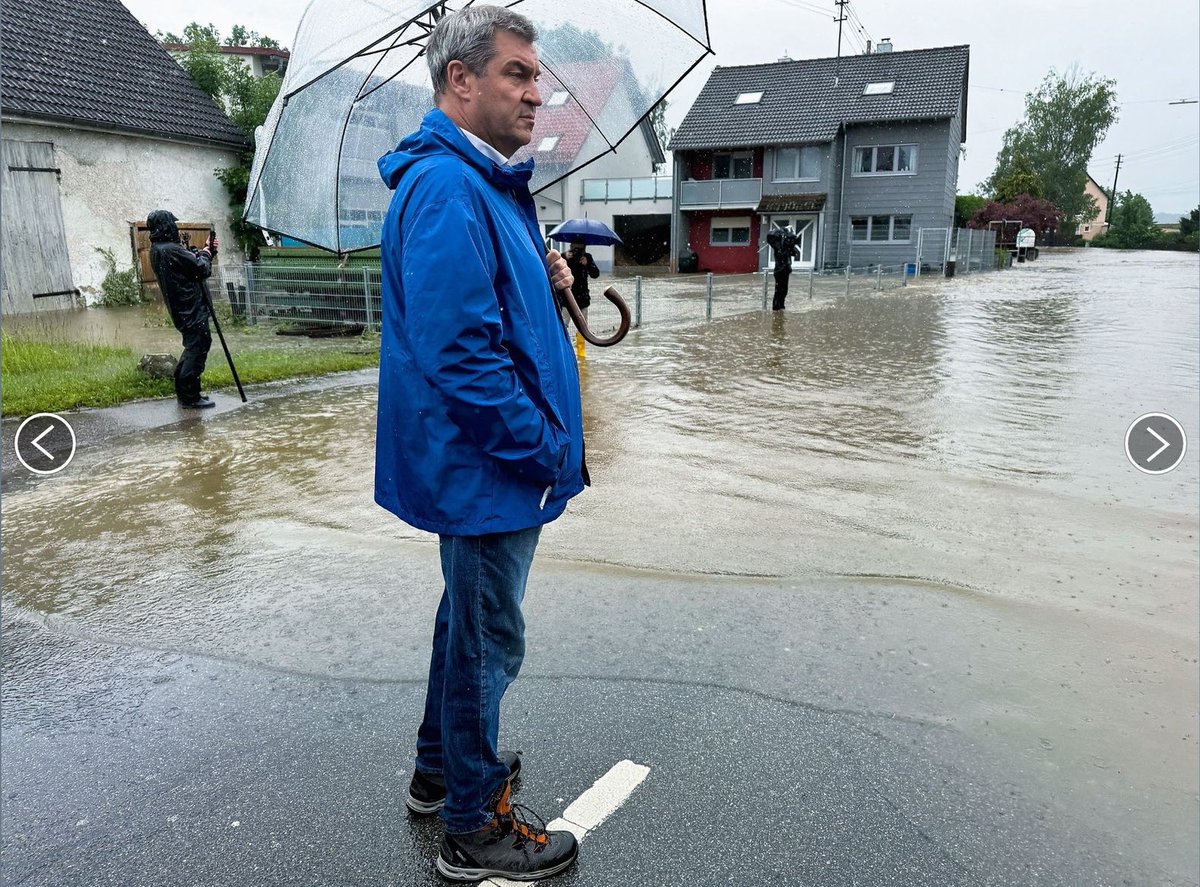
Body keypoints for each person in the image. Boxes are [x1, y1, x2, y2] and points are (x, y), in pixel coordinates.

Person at [374, 5, 584, 882]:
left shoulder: (487, 185)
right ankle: (471, 822)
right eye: (517, 74)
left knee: (467, 622)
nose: (537, 93)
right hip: (489, 468)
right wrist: (541, 447)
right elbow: (462, 354)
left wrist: (547, 270)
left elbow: (497, 311)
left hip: (489, 467)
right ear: (460, 81)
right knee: (489, 637)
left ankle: (442, 769)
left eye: (538, 76)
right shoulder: (448, 189)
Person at [147, 210, 218, 408]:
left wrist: (199, 252)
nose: (175, 228)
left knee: (193, 347)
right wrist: (207, 253)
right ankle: (189, 397)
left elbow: (188, 265)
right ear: (166, 226)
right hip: (190, 308)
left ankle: (187, 392)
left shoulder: (158, 249)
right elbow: (201, 269)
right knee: (198, 347)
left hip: (181, 309)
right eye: (172, 224)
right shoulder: (171, 250)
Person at [564, 240, 599, 355]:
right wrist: (565, 258)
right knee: (563, 325)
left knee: (583, 328)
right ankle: (564, 351)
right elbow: (555, 273)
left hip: (583, 300)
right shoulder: (565, 257)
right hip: (566, 299)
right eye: (575, 248)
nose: (577, 251)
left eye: (580, 249)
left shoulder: (587, 257)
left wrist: (588, 264)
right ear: (571, 246)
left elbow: (595, 274)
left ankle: (581, 353)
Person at [766, 224, 800, 311]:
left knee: (784, 291)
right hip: (779, 271)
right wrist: (782, 231)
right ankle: (776, 308)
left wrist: (790, 241)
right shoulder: (777, 246)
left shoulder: (788, 248)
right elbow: (770, 236)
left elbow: (795, 252)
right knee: (779, 291)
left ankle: (781, 307)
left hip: (786, 270)